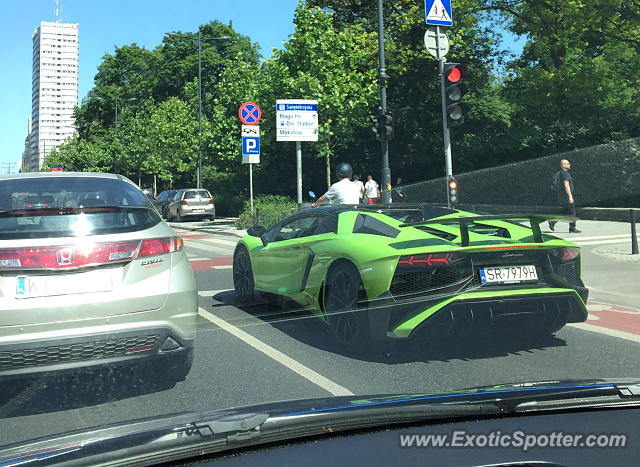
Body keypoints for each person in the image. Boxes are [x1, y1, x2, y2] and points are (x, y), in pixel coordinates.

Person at [549, 159, 581, 233]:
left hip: (562, 196)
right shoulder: (565, 173)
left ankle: (553, 221)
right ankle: (572, 228)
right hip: (566, 196)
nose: (570, 165)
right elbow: (566, 185)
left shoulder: (560, 173)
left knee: (566, 210)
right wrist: (570, 196)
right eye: (568, 164)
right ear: (563, 165)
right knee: (572, 212)